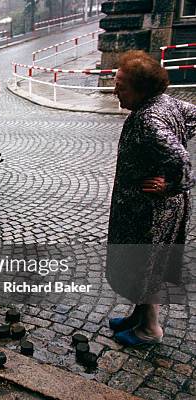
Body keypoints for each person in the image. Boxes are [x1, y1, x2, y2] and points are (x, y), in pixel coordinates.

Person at [106, 50, 195, 346]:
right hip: (148, 209)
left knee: (148, 265)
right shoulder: (166, 102)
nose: (115, 91)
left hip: (152, 211)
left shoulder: (149, 121)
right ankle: (138, 317)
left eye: (121, 87)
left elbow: (183, 163)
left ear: (141, 90)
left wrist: (169, 184)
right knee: (141, 263)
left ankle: (150, 329)